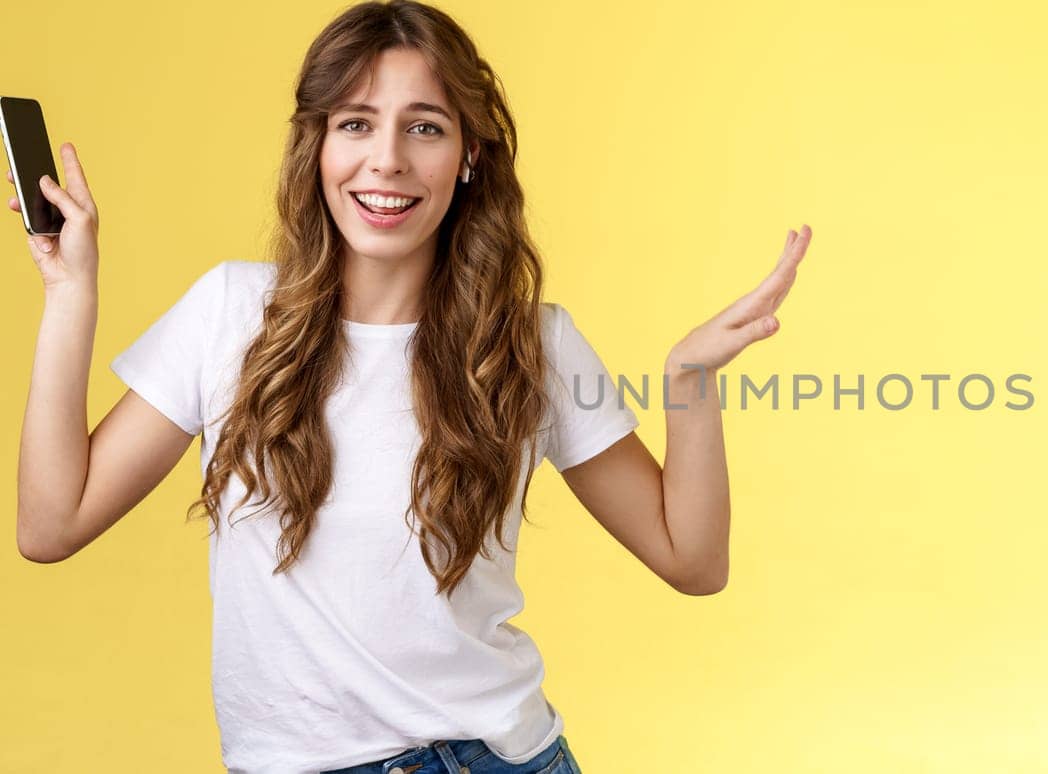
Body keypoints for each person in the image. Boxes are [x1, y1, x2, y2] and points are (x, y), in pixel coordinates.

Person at [11, 1, 812, 772]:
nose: (386, 159)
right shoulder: (227, 315)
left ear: (467, 156)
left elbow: (693, 560)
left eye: (424, 127)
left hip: (489, 761)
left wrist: (691, 382)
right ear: (317, 147)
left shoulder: (530, 345)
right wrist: (70, 293)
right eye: (355, 123)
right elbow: (52, 525)